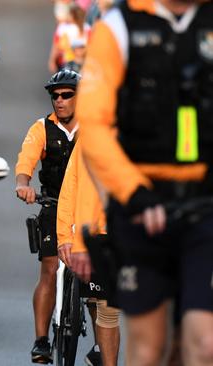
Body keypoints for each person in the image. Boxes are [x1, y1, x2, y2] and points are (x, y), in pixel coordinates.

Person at [76, 0, 213, 365]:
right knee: (149, 347)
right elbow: (93, 124)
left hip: (205, 206)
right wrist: (135, 194)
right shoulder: (119, 26)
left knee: (205, 345)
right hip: (141, 207)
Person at [14, 69, 80, 364]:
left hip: (87, 209)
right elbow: (26, 159)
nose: (60, 101)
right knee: (50, 268)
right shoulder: (41, 128)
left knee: (96, 276)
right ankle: (41, 340)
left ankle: (101, 344)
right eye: (55, 96)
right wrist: (23, 183)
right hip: (53, 205)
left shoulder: (95, 128)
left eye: (67, 95)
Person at [56, 138, 121, 366]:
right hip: (99, 236)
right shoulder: (89, 138)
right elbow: (70, 187)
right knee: (107, 308)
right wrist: (64, 236)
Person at [48, 3, 90, 73]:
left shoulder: (85, 28)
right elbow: (56, 45)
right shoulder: (63, 27)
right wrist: (52, 60)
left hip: (74, 64)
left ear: (73, 15)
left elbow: (56, 46)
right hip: (71, 63)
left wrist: (52, 60)